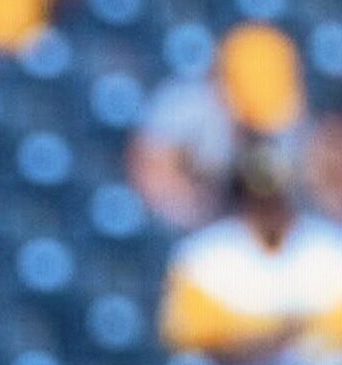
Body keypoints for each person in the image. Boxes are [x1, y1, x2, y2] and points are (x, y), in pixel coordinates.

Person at [160, 139, 342, 365]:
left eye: (277, 197)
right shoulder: (202, 257)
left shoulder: (332, 249)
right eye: (258, 198)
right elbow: (189, 350)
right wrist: (267, 344)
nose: (269, 209)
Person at [133, 23, 312, 230]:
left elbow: (298, 185)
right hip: (193, 226)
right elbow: (153, 174)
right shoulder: (184, 106)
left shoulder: (286, 115)